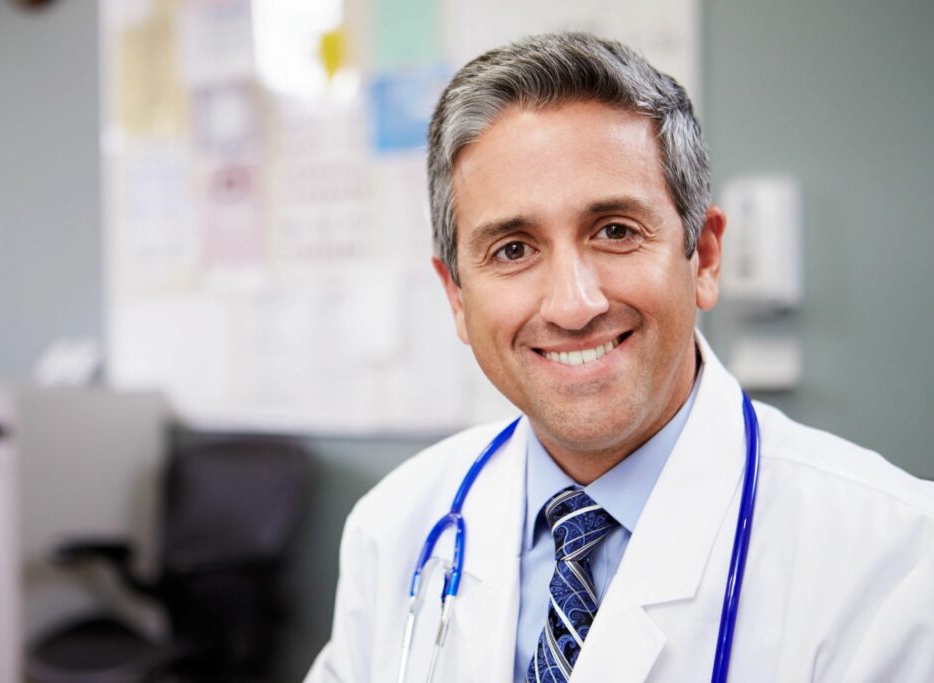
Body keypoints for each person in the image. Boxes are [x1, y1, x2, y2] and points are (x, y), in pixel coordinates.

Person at [305, 33, 934, 683]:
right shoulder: (395, 528)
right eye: (513, 249)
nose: (573, 304)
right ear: (457, 297)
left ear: (706, 258)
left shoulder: (899, 561)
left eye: (615, 232)